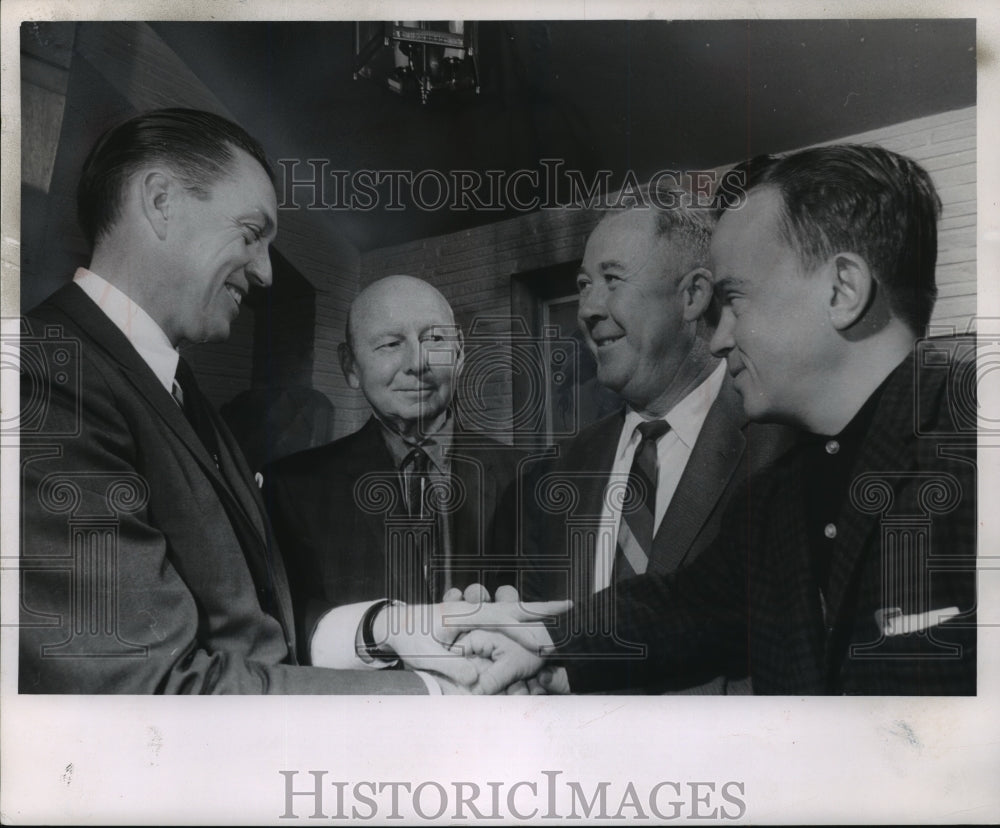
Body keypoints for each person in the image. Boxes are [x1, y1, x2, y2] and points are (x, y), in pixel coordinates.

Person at [18, 108, 533, 694]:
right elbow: (154, 687)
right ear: (161, 202)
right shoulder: (42, 378)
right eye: (250, 234)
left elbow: (250, 624)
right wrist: (435, 696)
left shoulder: (178, 393)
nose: (265, 273)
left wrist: (385, 626)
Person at [455, 144, 977, 696]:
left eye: (735, 300)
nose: (720, 334)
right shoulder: (776, 503)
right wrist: (540, 643)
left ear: (842, 290)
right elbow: (679, 608)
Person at [515, 203, 789, 693]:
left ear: (692, 296)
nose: (588, 309)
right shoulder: (560, 470)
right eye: (582, 285)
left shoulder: (780, 446)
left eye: (613, 279)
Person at [264, 275, 525, 658]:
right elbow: (286, 626)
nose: (417, 363)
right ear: (350, 365)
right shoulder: (292, 489)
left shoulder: (530, 476)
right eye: (389, 344)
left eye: (435, 340)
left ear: (460, 352)